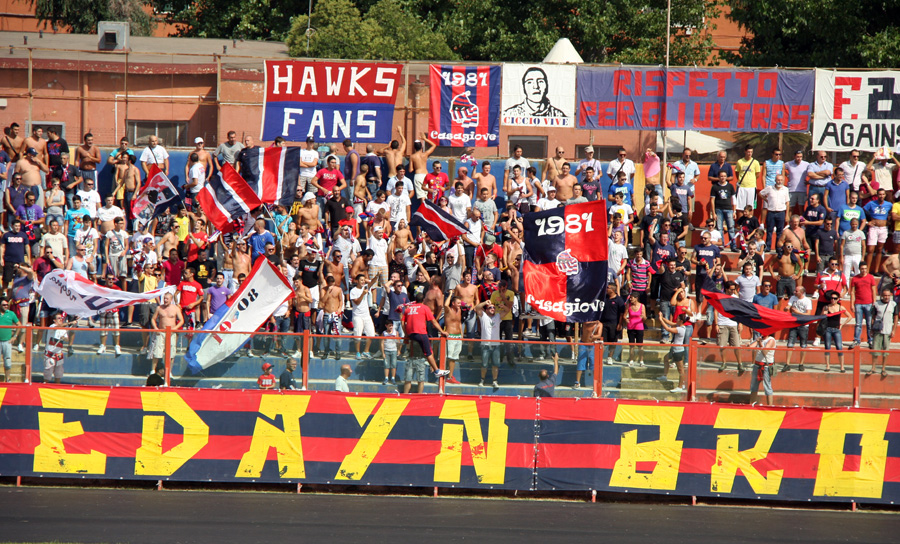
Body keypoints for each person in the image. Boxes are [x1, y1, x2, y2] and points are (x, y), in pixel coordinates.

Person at [714, 282, 744, 374]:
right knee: (722, 345)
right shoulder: (720, 297)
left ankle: (740, 364)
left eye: (734, 289)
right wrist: (716, 324)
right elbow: (715, 311)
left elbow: (739, 311)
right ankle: (724, 362)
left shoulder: (735, 298)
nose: (733, 291)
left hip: (733, 324)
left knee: (737, 346)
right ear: (726, 289)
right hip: (722, 323)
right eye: (731, 289)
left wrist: (740, 323)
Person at [150, 292, 184, 370]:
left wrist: (175, 328)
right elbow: (153, 319)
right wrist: (156, 328)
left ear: (171, 300)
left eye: (167, 299)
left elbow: (182, 320)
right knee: (157, 352)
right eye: (164, 298)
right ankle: (153, 370)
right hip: (161, 332)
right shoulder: (159, 308)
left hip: (171, 333)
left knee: (171, 353)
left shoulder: (176, 308)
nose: (165, 300)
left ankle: (169, 372)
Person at [475, 299, 504, 387]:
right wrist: (485, 303)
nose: (492, 309)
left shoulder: (498, 316)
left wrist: (503, 306)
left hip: (496, 345)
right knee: (484, 364)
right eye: (490, 307)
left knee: (495, 364)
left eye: (494, 308)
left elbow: (507, 310)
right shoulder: (483, 316)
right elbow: (476, 308)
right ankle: (482, 380)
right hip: (485, 344)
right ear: (486, 310)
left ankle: (495, 381)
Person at [659, 313, 690, 394]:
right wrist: (662, 317)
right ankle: (664, 376)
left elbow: (668, 329)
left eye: (678, 318)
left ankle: (680, 386)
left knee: (680, 370)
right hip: (673, 349)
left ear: (681, 321)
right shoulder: (678, 325)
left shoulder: (681, 329)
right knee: (666, 358)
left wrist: (660, 320)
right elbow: (670, 323)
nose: (676, 319)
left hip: (678, 351)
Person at [869, 289, 897, 377]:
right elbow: (873, 317)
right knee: (875, 350)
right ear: (881, 295)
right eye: (885, 295)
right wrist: (871, 329)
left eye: (888, 295)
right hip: (878, 330)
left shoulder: (893, 304)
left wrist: (894, 330)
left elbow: (895, 318)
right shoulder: (876, 304)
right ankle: (873, 368)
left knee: (885, 351)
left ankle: (883, 368)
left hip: (888, 330)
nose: (886, 297)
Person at [822, 290, 852, 372]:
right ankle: (827, 366)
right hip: (828, 328)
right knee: (827, 347)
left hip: (836, 329)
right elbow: (822, 317)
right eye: (831, 298)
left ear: (838, 299)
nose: (833, 300)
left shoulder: (840, 307)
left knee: (839, 347)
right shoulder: (826, 307)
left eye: (835, 298)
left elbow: (849, 316)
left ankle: (842, 366)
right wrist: (825, 313)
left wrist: (842, 324)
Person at [850, 263, 878, 348]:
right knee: (858, 323)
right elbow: (852, 292)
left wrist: (874, 302)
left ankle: (870, 340)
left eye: (865, 268)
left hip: (869, 303)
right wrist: (852, 304)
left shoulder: (870, 277)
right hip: (858, 303)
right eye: (862, 268)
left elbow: (873, 290)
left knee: (869, 324)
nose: (864, 270)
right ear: (859, 269)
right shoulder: (855, 278)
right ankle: (856, 340)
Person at [748, 333, 776, 405]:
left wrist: (760, 343)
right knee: (754, 386)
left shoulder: (771, 340)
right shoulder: (760, 338)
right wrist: (749, 345)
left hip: (766, 366)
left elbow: (765, 352)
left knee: (767, 386)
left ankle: (770, 406)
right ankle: (751, 404)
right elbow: (750, 348)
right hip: (757, 365)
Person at [44, 312, 69, 384]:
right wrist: (70, 323)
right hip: (50, 353)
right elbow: (56, 328)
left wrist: (64, 338)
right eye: (58, 318)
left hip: (59, 353)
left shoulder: (63, 329)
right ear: (54, 320)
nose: (60, 319)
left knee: (59, 373)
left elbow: (67, 339)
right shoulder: (52, 326)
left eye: (61, 318)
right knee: (48, 373)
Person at [0, 298, 19, 382]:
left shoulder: (11, 314)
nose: (6, 306)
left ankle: (8, 378)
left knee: (7, 361)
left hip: (7, 341)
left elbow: (19, 325)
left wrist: (14, 336)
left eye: (7, 305)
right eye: (4, 305)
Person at [380, 320, 400, 386]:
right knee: (386, 365)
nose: (391, 327)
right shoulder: (384, 333)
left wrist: (399, 350)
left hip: (394, 350)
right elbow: (382, 343)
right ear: (386, 326)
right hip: (386, 350)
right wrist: (382, 352)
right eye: (389, 326)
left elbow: (398, 342)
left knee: (393, 365)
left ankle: (393, 378)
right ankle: (386, 378)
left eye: (392, 325)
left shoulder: (395, 332)